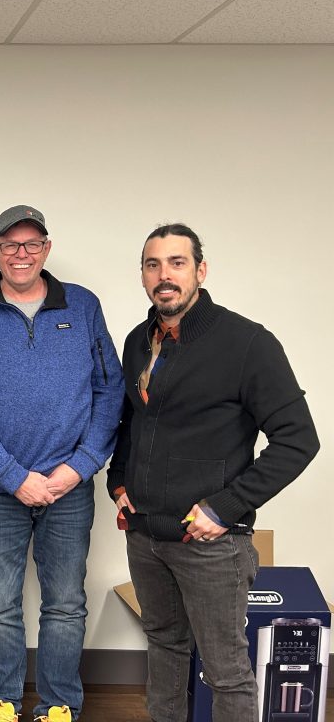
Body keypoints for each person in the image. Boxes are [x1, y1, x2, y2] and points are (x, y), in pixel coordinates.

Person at [107, 223, 320, 722]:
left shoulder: (247, 342)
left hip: (212, 545)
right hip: (146, 536)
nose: (165, 275)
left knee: (226, 671)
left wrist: (223, 507)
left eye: (177, 263)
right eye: (153, 264)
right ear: (142, 275)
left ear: (200, 270)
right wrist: (119, 482)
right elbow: (130, 423)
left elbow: (298, 440)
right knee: (163, 648)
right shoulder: (139, 340)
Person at [0, 205, 124, 722]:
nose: (21, 254)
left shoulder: (83, 306)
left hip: (69, 487)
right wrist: (12, 476)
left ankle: (60, 704)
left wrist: (80, 466)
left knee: (65, 603)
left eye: (32, 244)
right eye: (10, 244)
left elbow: (109, 390)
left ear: (46, 249)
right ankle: (2, 700)